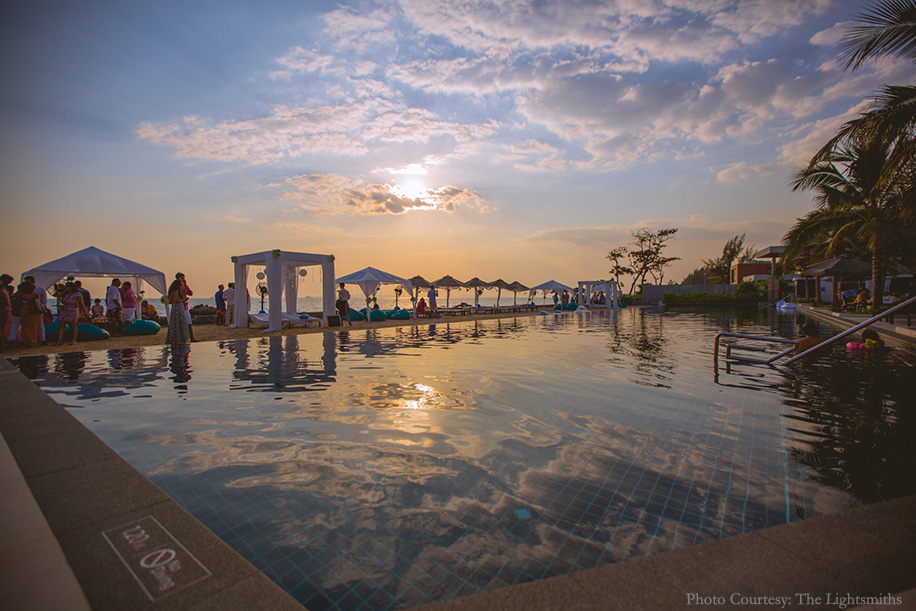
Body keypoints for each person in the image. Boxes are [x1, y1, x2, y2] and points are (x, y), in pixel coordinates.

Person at [57, 282, 87, 346]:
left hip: (73, 310)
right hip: (65, 310)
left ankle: (74, 340)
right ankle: (60, 339)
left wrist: (85, 312)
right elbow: (57, 295)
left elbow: (82, 304)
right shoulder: (65, 294)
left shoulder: (77, 294)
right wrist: (59, 290)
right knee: (61, 324)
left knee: (73, 325)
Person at [165, 276, 191, 343]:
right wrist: (183, 300)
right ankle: (179, 338)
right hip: (177, 308)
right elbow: (175, 300)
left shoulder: (178, 291)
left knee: (179, 323)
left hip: (179, 307)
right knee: (178, 323)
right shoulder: (176, 291)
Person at [176, 272, 196, 341]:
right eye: (181, 278)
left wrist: (185, 285)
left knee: (189, 323)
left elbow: (190, 293)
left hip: (185, 306)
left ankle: (192, 337)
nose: (183, 279)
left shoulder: (184, 286)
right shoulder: (176, 287)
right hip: (180, 306)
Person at [0, 274, 13, 350]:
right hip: (3, 311)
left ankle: (3, 343)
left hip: (5, 311)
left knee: (4, 328)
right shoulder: (2, 289)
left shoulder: (4, 288)